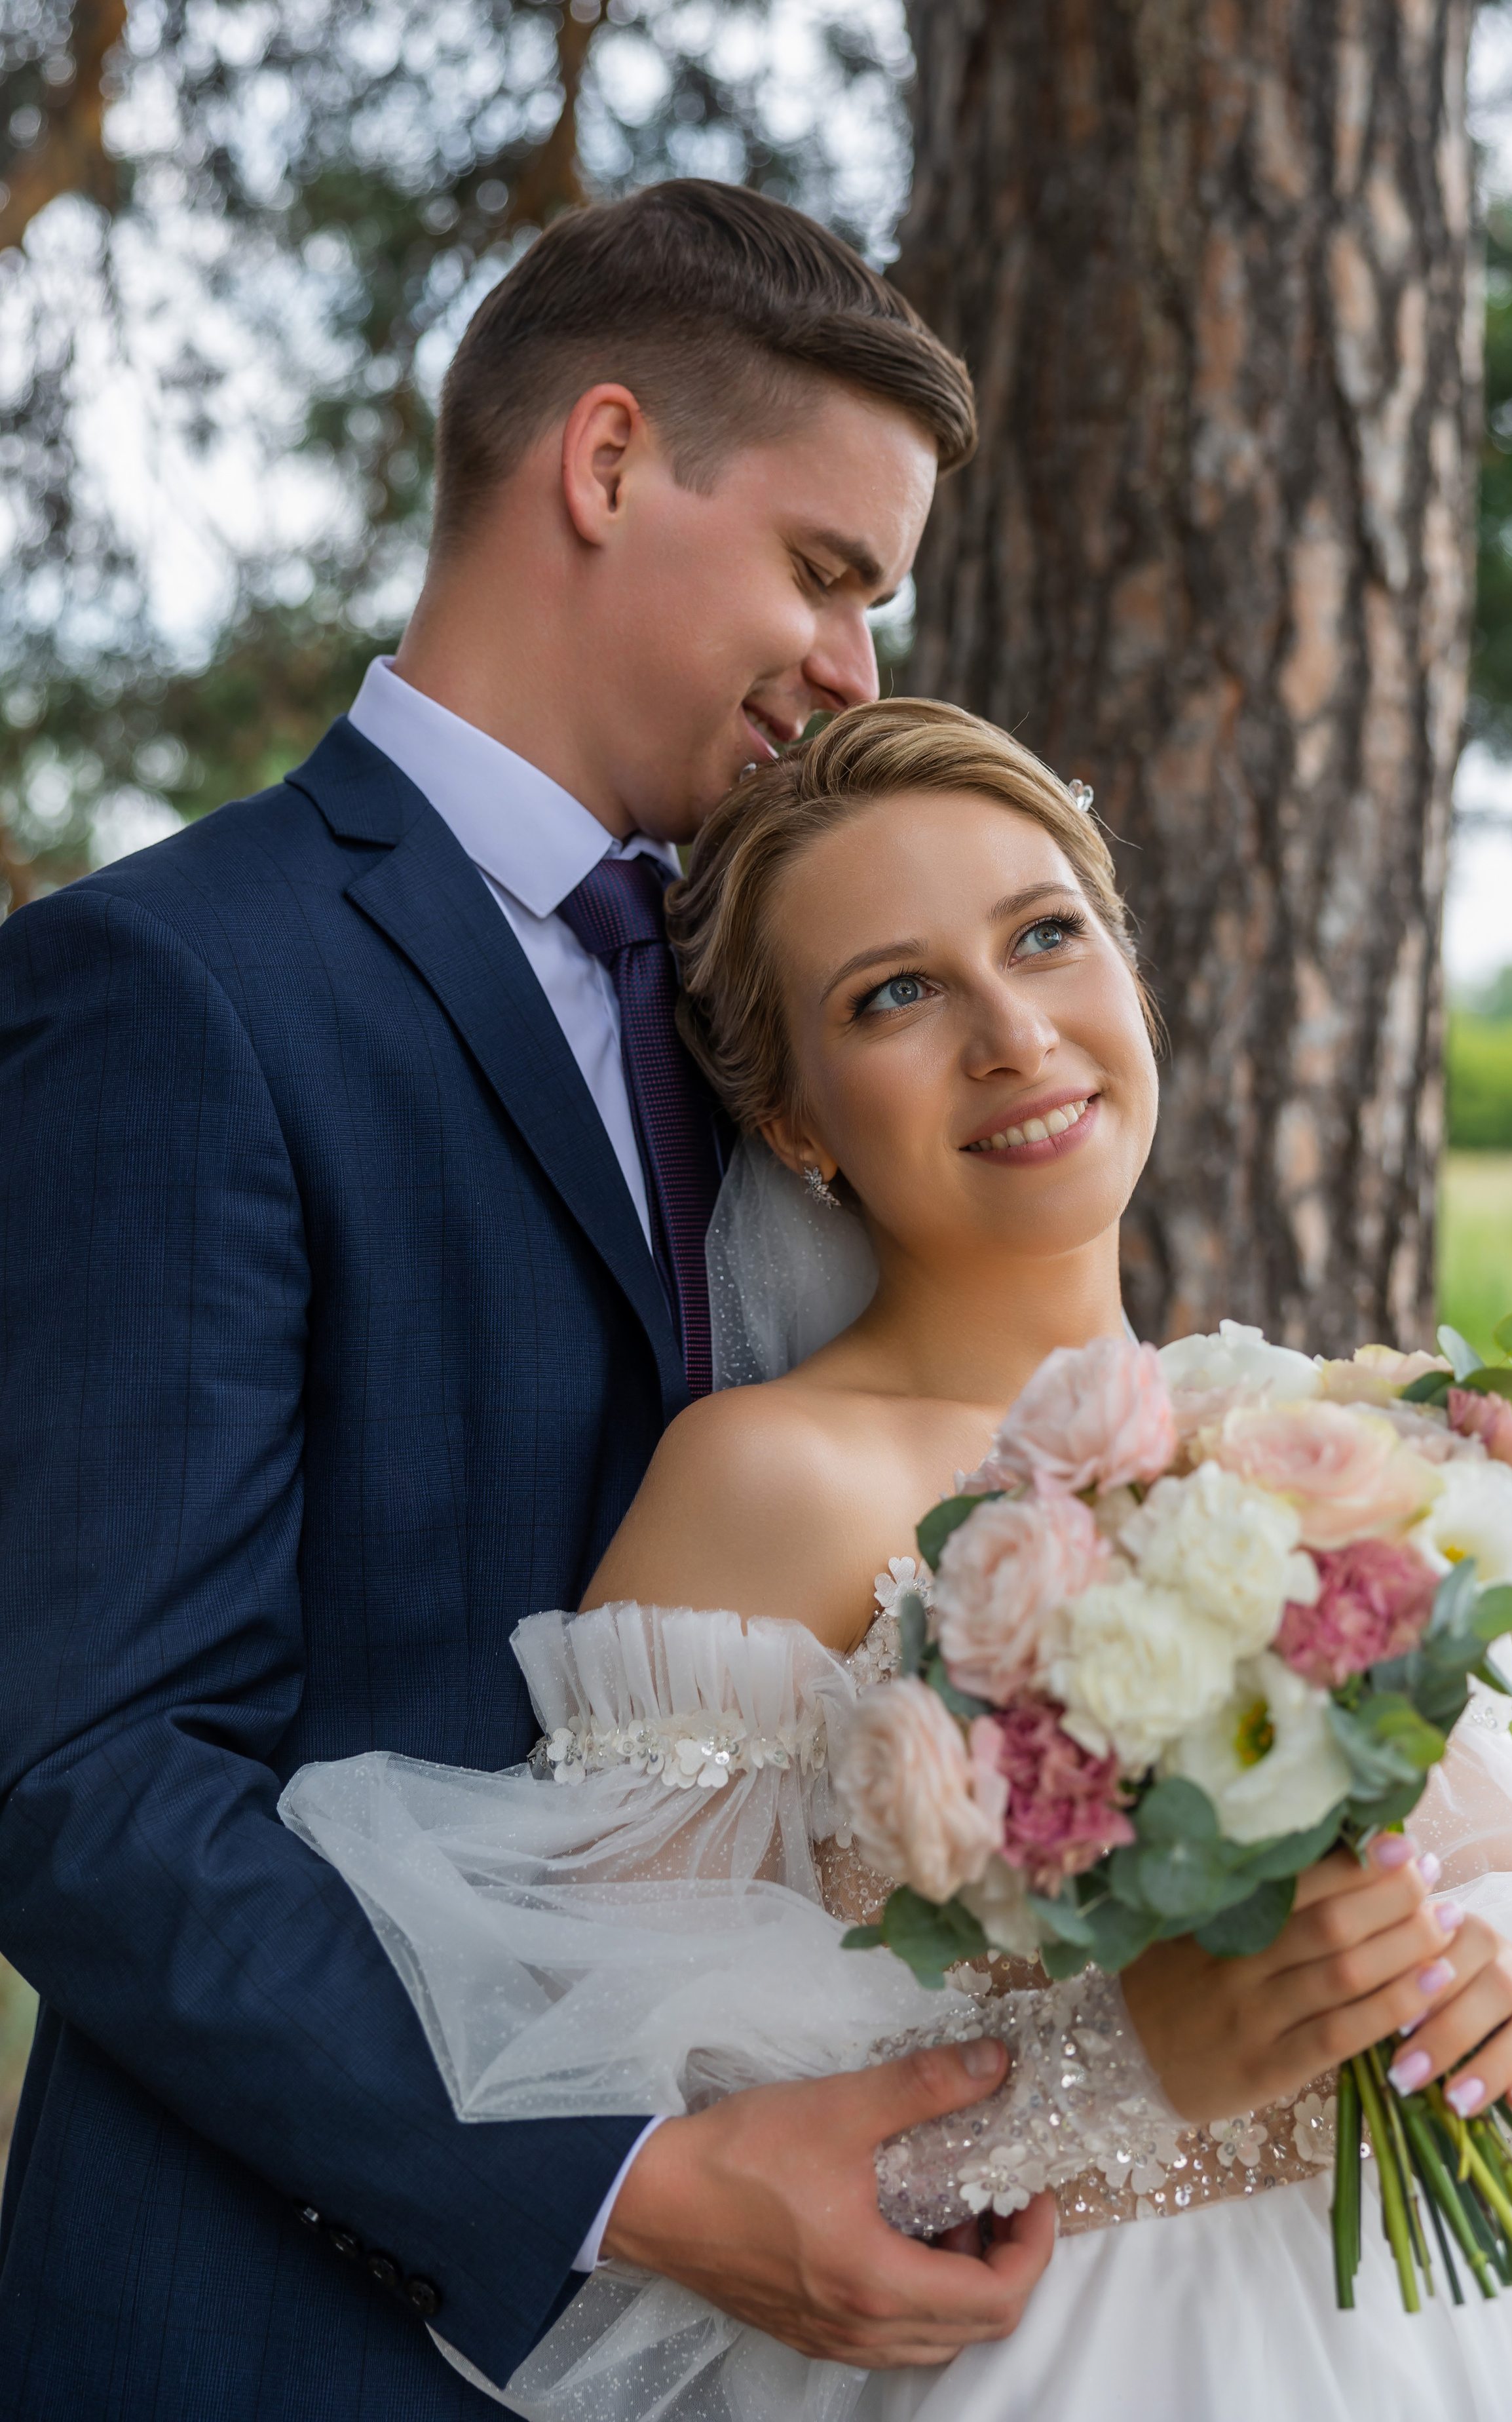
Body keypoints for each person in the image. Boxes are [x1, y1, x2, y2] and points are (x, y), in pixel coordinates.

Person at [279, 700, 1512, 2422]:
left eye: (1044, 937)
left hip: (1475, 2333)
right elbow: (666, 2146)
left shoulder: (1302, 1443)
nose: (1014, 1033)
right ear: (796, 1120)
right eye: (896, 994)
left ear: (1127, 972)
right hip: (1077, 2363)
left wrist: (1494, 2003)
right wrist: (1132, 2072)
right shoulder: (770, 1478)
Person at [0, 179, 980, 2419]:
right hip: (280, 2332)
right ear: (610, 460)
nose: (858, 665)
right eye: (830, 575)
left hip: (768, 2338)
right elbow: (88, 1776)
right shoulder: (169, 989)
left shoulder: (780, 1012)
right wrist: (620, 2184)